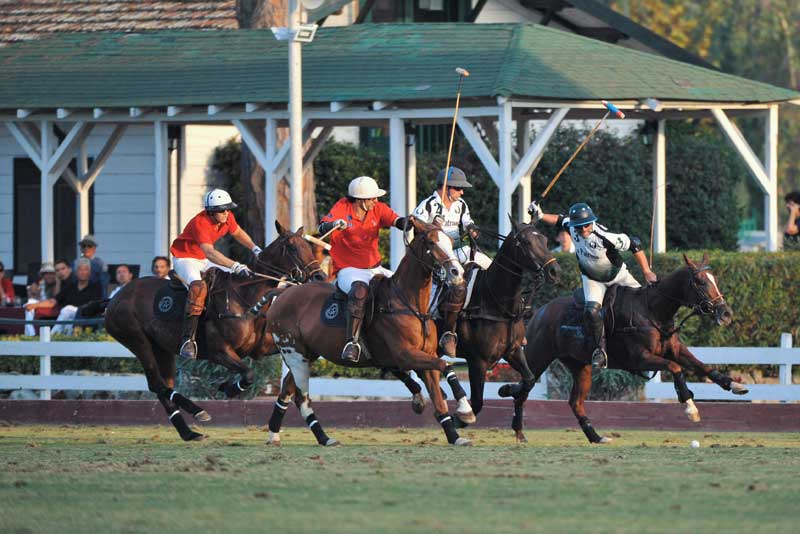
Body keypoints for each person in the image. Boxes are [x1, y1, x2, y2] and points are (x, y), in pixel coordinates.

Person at [528, 200, 657, 369]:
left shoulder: (606, 236)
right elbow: (560, 220)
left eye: (586, 225)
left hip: (619, 276)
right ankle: (600, 352)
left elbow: (635, 243)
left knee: (644, 304)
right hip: (593, 280)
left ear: (592, 222)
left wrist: (647, 271)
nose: (583, 230)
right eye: (579, 226)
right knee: (591, 311)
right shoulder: (572, 227)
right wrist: (541, 215)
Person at [318, 176, 408, 362]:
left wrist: (409, 223)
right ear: (360, 200)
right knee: (359, 292)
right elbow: (322, 227)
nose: (376, 200)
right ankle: (352, 343)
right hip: (348, 270)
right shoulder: (343, 207)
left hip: (375, 268)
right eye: (372, 198)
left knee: (404, 289)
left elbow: (396, 220)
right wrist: (334, 225)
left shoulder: (378, 209)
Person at [170, 189, 262, 359]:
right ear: (211, 212)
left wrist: (254, 248)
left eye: (228, 209)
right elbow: (211, 253)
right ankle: (188, 340)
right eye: (222, 210)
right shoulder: (201, 223)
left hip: (202, 258)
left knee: (239, 278)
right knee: (198, 288)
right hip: (185, 258)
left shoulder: (227, 217)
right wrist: (235, 265)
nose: (226, 213)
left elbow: (238, 233)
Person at [412, 166, 490, 356]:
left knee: (490, 265)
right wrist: (432, 226)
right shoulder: (429, 205)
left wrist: (472, 229)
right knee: (438, 297)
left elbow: (467, 221)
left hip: (459, 249)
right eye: (458, 188)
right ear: (446, 187)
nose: (462, 192)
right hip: (437, 255)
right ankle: (444, 332)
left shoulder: (461, 204)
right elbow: (414, 223)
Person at [25, 258, 102, 336]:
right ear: (76, 272)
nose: (83, 272)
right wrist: (35, 305)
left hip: (85, 314)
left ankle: (52, 336)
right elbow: (54, 301)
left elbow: (96, 306)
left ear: (89, 272)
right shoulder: (71, 286)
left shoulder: (95, 286)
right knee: (68, 321)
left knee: (67, 309)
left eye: (86, 269)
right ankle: (31, 335)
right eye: (80, 269)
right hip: (71, 317)